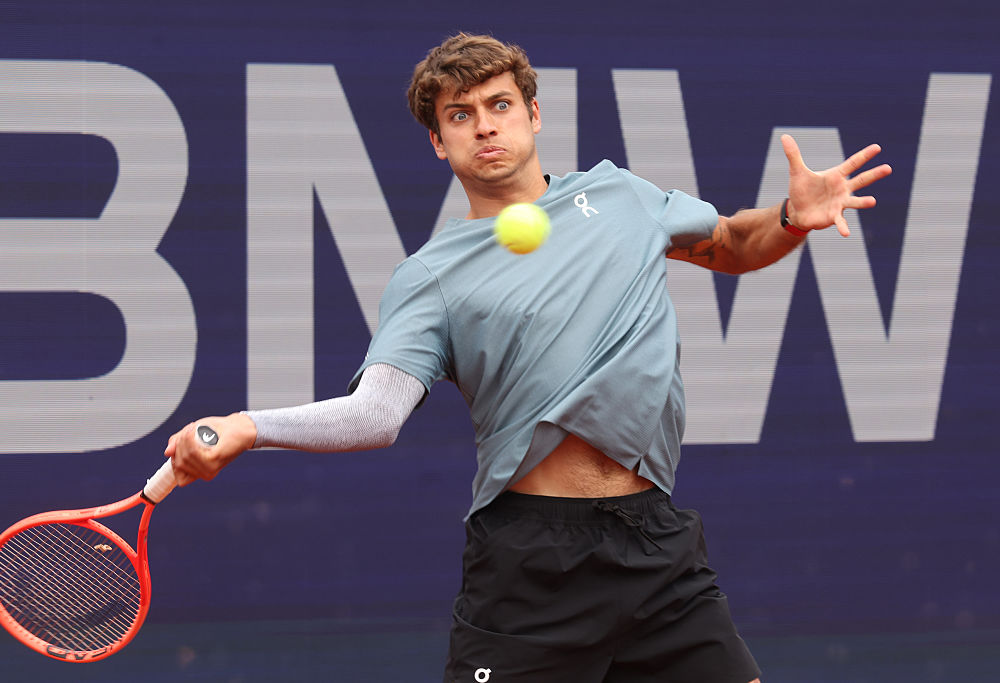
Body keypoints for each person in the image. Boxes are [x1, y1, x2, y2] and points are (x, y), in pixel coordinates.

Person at [167, 32, 891, 683]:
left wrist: (791, 219)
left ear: (533, 114)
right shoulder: (431, 277)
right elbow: (376, 414)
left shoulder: (622, 196)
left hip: (655, 544)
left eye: (500, 105)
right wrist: (248, 426)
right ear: (439, 143)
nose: (485, 125)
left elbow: (730, 243)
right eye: (460, 115)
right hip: (531, 566)